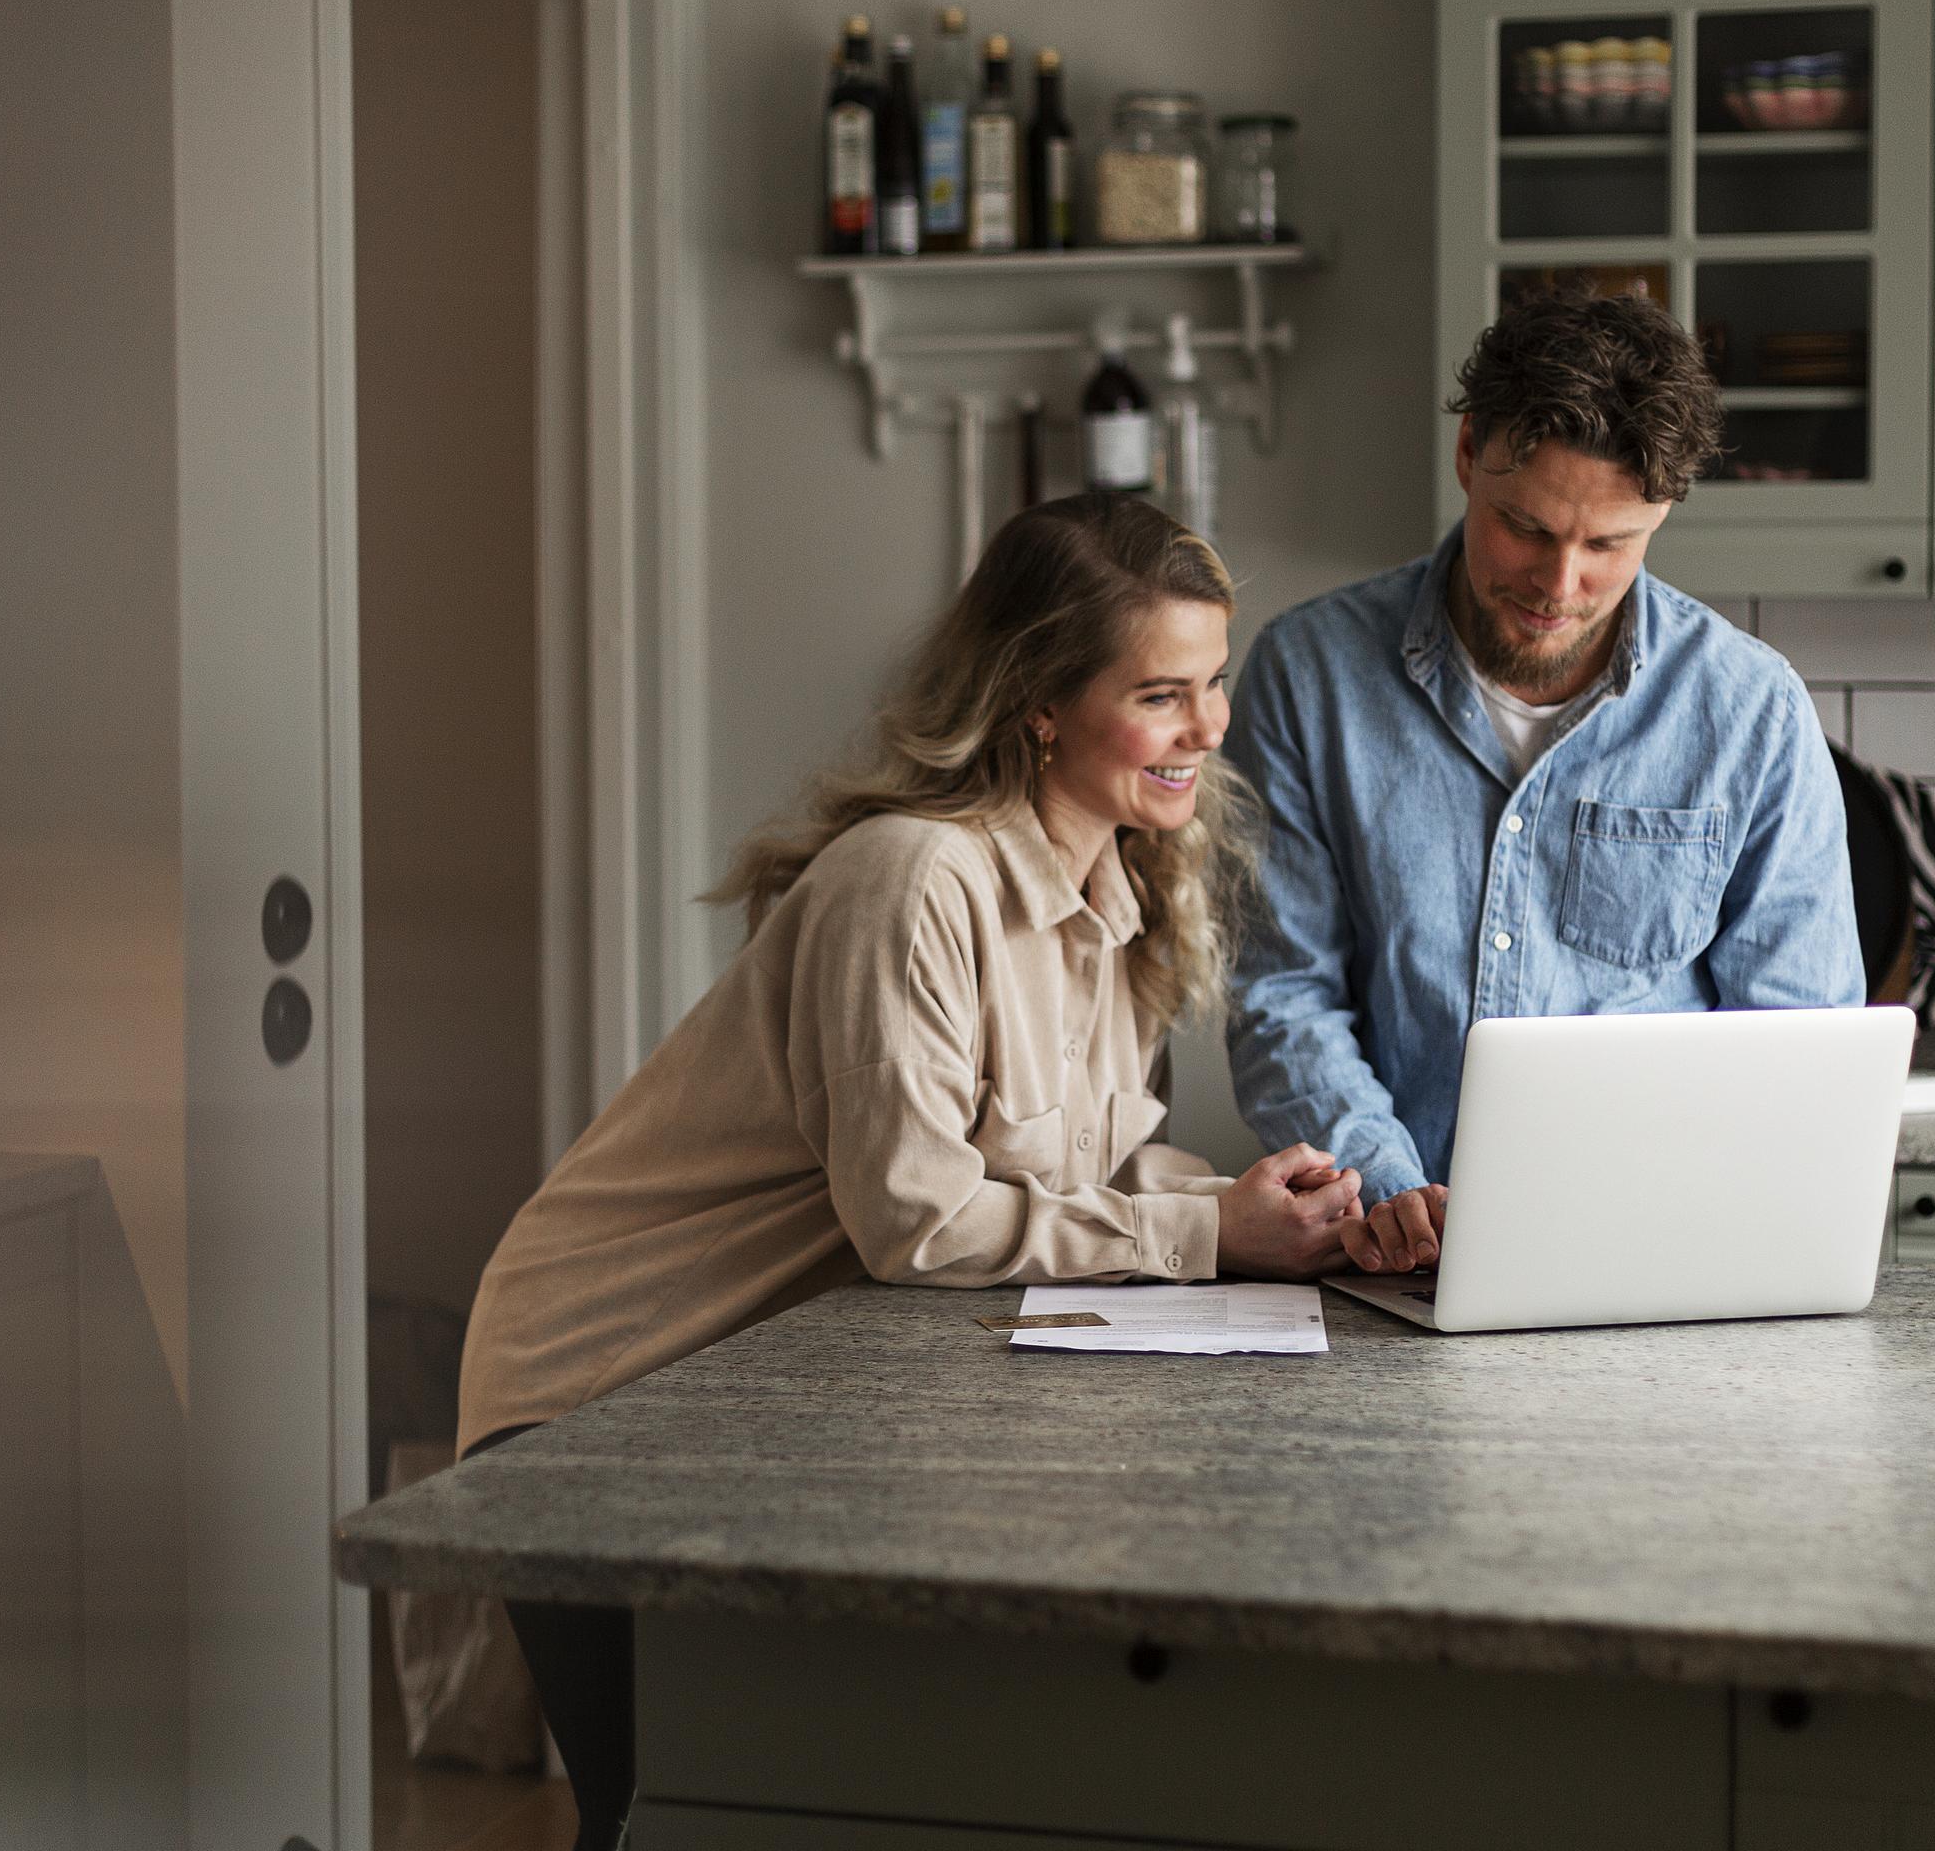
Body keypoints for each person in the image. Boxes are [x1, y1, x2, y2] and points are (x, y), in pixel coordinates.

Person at [456, 493, 1362, 1851]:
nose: (1208, 731)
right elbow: (919, 1219)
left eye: (1214, 685)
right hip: (601, 1396)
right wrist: (1204, 1238)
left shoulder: (1118, 899)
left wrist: (1260, 1209)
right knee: (659, 1818)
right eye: (1161, 695)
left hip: (757, 1404)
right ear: (1041, 705)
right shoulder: (912, 883)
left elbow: (1083, 1162)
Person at [1225, 287, 1863, 1279]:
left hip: (1660, 1263)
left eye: (1608, 544)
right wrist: (1399, 1199)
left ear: (1663, 513)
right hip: (1385, 1267)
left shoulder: (1751, 712)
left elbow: (1802, 1048)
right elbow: (1281, 993)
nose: (1559, 584)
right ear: (1469, 450)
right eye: (1525, 527)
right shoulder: (1307, 676)